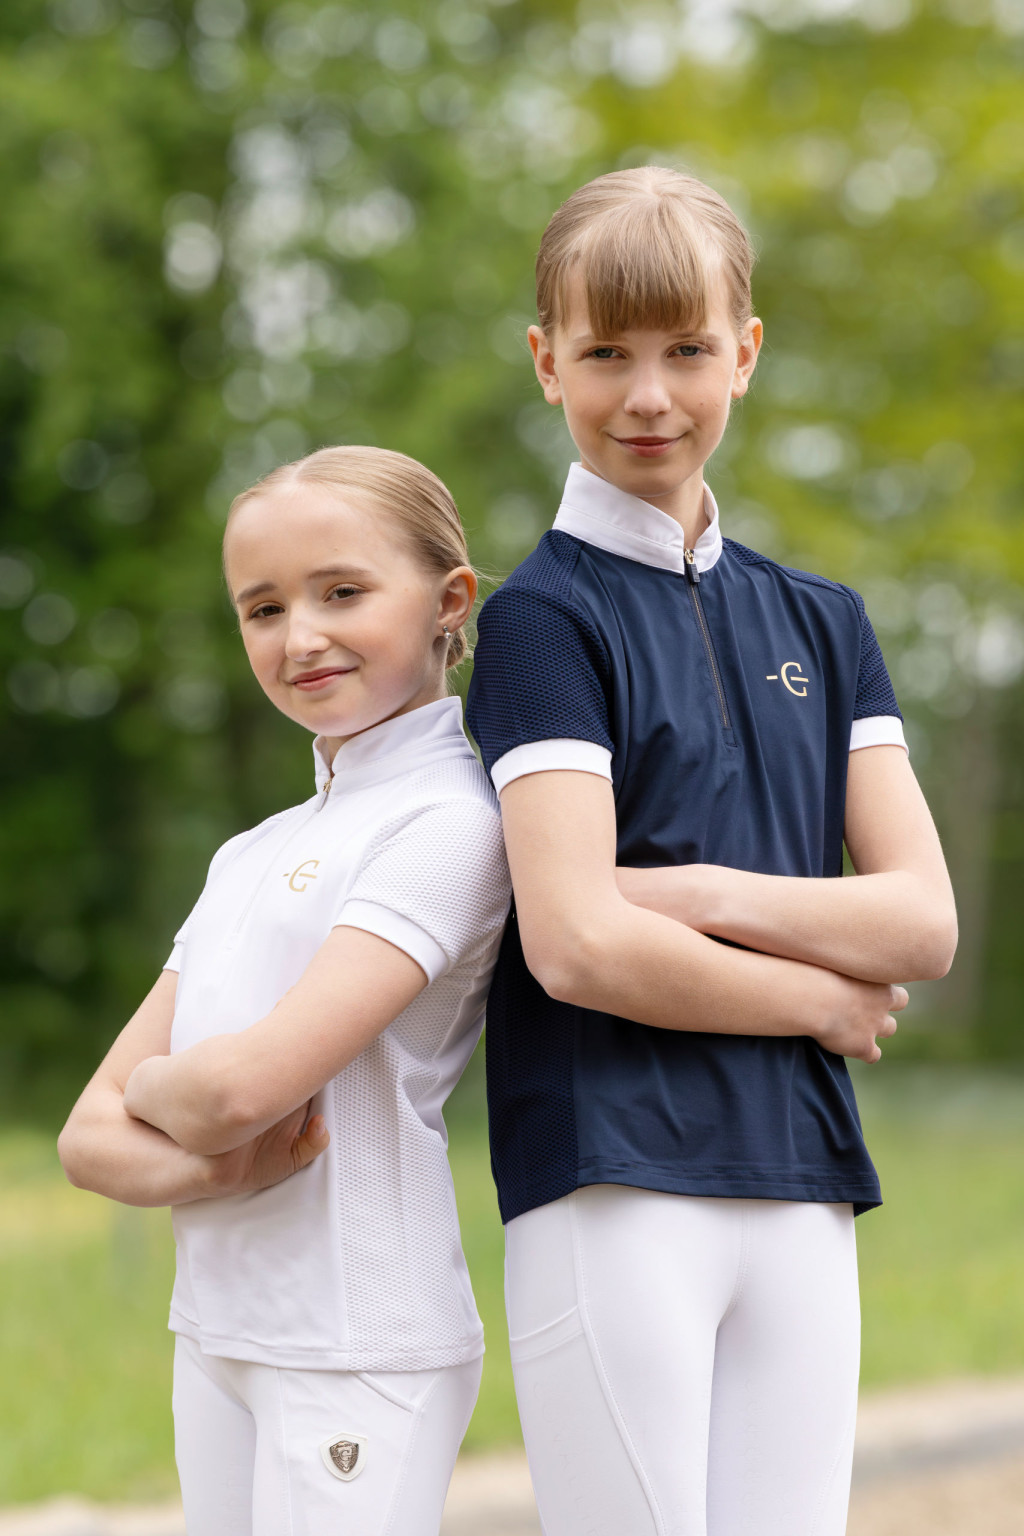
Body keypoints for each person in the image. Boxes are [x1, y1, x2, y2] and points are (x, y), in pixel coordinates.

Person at [466, 167, 957, 1535]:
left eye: (686, 350)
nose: (647, 396)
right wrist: (813, 996)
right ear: (545, 361)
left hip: (802, 1178)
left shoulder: (825, 621)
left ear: (744, 351)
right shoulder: (539, 624)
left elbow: (921, 922)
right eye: (605, 355)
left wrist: (688, 891)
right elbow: (576, 946)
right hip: (612, 1175)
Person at [58, 446, 511, 1536]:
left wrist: (167, 1100)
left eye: (341, 592)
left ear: (449, 602)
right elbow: (84, 1140)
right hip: (217, 1327)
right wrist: (216, 1160)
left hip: (355, 1339)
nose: (299, 636)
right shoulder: (250, 852)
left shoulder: (451, 822)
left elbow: (236, 1093)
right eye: (263, 609)